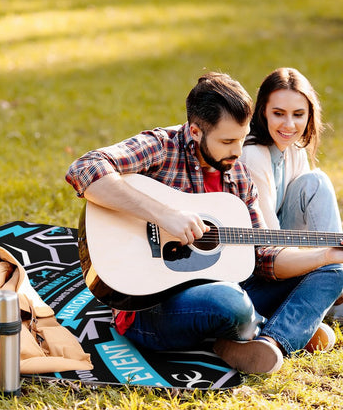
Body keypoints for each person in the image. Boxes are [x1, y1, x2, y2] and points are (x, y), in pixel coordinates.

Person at [66, 71, 343, 375]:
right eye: (227, 141)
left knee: (334, 271)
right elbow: (85, 168)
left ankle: (271, 341)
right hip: (151, 307)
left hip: (230, 288)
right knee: (230, 302)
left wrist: (324, 255)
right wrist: (163, 214)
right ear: (196, 132)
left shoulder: (237, 174)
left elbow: (264, 256)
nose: (238, 152)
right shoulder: (161, 146)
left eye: (242, 138)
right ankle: (280, 326)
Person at [240, 67, 343, 325]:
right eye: (278, 114)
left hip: (284, 249)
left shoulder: (293, 149)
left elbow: (309, 220)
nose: (289, 125)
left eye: (298, 115)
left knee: (315, 181)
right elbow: (269, 243)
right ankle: (333, 289)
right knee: (316, 181)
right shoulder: (253, 154)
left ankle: (333, 284)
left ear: (309, 115)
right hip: (258, 263)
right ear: (262, 111)